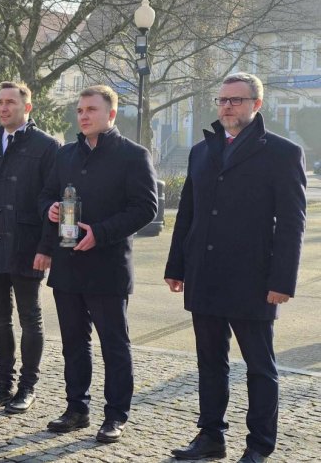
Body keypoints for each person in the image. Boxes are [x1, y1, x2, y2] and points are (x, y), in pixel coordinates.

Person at [165, 73, 306, 463]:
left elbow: (292, 223)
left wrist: (283, 281)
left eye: (236, 100)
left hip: (254, 280)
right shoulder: (201, 151)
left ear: (257, 105)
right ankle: (211, 437)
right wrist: (177, 266)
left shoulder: (282, 153)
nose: (227, 106)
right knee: (210, 363)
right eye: (222, 100)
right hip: (204, 275)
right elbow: (188, 215)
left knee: (260, 367)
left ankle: (259, 446)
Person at [39, 85, 157, 443]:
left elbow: (146, 208)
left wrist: (102, 233)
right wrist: (51, 208)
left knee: (114, 345)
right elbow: (46, 194)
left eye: (91, 109)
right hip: (68, 266)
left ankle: (116, 415)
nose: (84, 115)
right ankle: (77, 408)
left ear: (111, 114)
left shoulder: (133, 155)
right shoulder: (66, 155)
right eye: (80, 110)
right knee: (74, 344)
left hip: (108, 267)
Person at [0, 81, 60, 414]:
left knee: (30, 318)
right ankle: (3, 384)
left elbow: (54, 201)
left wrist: (47, 247)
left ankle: (27, 386)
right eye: (0, 103)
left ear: (27, 107)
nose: (4, 108)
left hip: (27, 244)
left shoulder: (46, 146)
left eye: (11, 103)